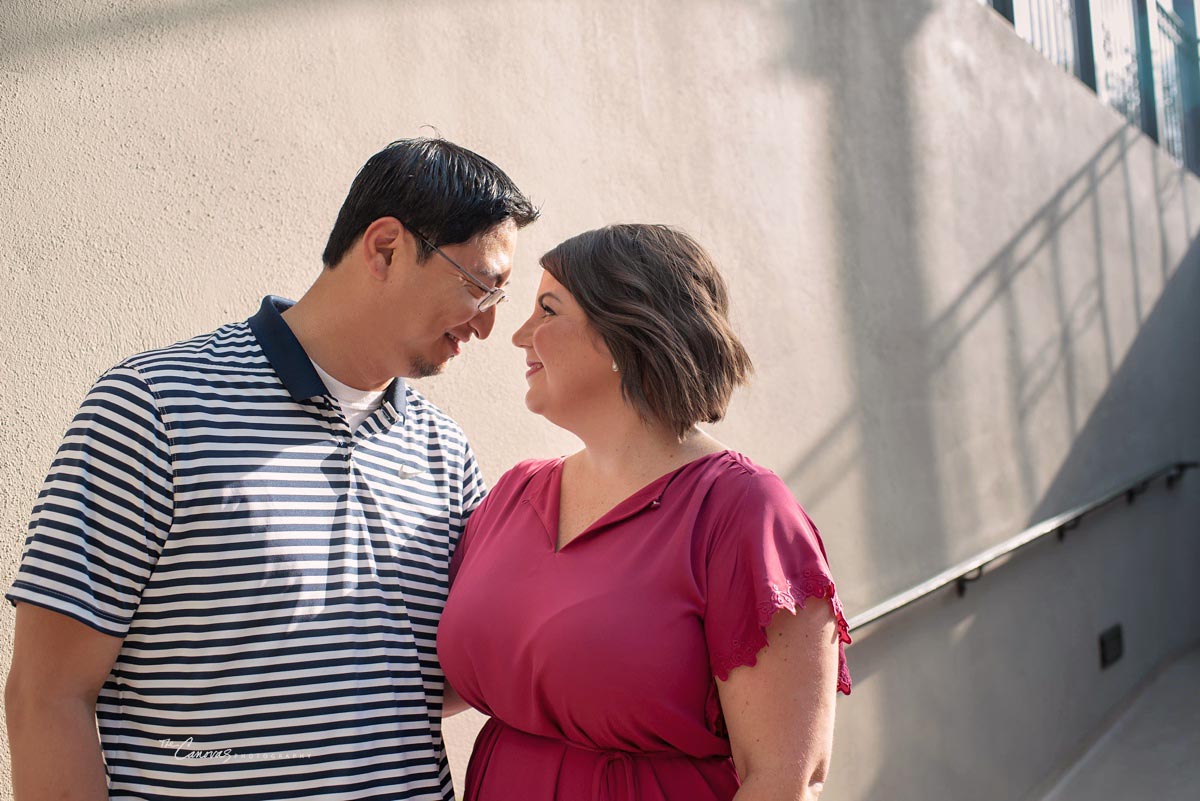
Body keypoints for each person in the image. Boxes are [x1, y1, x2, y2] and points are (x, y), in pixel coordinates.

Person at [5, 137, 538, 800]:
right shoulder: (152, 407)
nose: (485, 327)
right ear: (385, 247)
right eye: (480, 287)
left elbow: (439, 678)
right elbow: (46, 695)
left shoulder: (445, 451)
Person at [437, 224, 852, 801]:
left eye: (547, 310)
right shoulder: (513, 494)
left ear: (623, 334)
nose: (519, 335)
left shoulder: (745, 512)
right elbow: (432, 680)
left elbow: (786, 777)